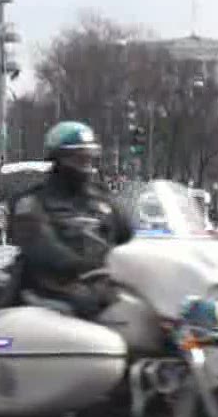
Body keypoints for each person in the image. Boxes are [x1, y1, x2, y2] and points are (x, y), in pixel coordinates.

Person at [9, 121, 134, 318]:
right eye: (78, 159)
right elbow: (43, 249)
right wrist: (86, 266)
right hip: (50, 290)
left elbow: (129, 235)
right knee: (89, 305)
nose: (85, 166)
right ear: (58, 160)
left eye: (89, 158)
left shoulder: (101, 198)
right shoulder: (32, 202)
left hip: (102, 282)